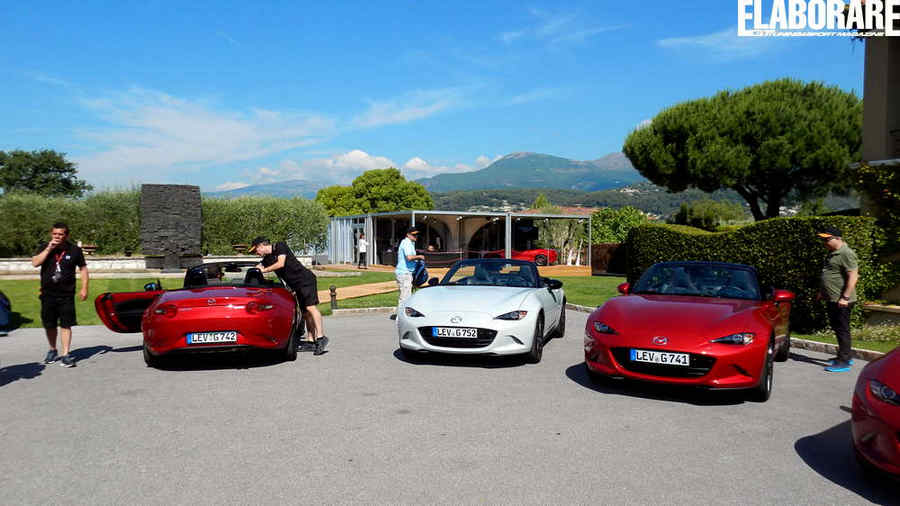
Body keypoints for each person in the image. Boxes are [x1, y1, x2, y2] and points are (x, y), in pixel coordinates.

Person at [250, 237, 328, 355]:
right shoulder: (267, 259)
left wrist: (264, 270)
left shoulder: (279, 246)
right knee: (305, 313)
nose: (256, 253)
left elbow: (281, 263)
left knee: (311, 307)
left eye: (256, 250)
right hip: (296, 285)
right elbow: (257, 268)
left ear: (261, 246)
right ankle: (311, 341)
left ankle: (321, 338)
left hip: (305, 280)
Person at [31, 222, 89, 368]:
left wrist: (84, 288)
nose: (57, 236)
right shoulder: (44, 246)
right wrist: (49, 248)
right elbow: (35, 263)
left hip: (66, 294)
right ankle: (52, 350)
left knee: (66, 324)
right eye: (54, 234)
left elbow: (83, 269)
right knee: (49, 325)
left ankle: (65, 354)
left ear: (66, 235)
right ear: (51, 234)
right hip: (47, 293)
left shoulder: (74, 250)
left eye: (60, 234)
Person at [817, 226, 859, 373]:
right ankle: (844, 355)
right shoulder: (832, 253)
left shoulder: (846, 253)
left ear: (838, 238)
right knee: (838, 328)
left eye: (827, 239)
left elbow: (853, 276)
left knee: (842, 330)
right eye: (823, 239)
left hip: (842, 300)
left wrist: (845, 297)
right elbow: (831, 274)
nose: (825, 242)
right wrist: (822, 292)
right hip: (832, 298)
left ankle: (844, 361)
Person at [392, 226, 425, 320]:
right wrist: (419, 257)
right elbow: (409, 257)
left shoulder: (409, 243)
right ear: (408, 235)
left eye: (417, 235)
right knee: (405, 297)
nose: (416, 236)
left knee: (407, 295)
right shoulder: (406, 243)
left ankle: (404, 315)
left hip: (407, 272)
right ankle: (401, 317)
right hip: (404, 273)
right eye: (414, 235)